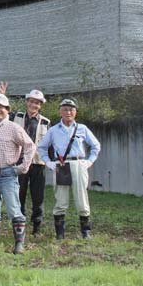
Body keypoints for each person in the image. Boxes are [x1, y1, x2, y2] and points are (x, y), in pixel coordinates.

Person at [37, 99, 101, 240]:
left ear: (75, 112)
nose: (68, 112)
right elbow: (41, 147)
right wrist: (48, 162)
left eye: (71, 109)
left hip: (78, 164)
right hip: (61, 166)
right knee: (60, 200)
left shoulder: (82, 128)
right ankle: (60, 234)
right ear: (60, 111)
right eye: (65, 109)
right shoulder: (53, 130)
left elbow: (96, 146)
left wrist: (89, 161)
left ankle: (86, 232)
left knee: (82, 199)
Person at [0, 94, 35, 254]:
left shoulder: (14, 128)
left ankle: (19, 243)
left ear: (7, 110)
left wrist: (22, 167)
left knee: (13, 209)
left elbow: (30, 146)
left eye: (1, 107)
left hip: (7, 173)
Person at [0, 82, 51, 236]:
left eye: (37, 102)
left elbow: (49, 144)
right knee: (18, 194)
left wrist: (51, 161)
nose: (33, 104)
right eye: (31, 101)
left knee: (37, 196)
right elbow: (2, 113)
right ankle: (19, 225)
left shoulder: (46, 122)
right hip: (19, 163)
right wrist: (2, 95)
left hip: (37, 164)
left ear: (40, 105)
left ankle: (36, 227)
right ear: (27, 102)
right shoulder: (16, 116)